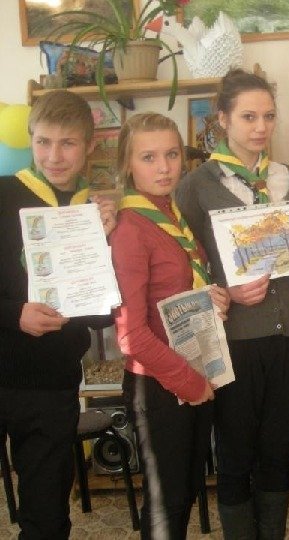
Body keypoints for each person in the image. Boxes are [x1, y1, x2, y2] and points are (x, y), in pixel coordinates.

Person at [176, 68, 289, 539]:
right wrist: (225, 289)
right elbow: (183, 261)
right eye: (249, 117)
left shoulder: (287, 178)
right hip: (234, 338)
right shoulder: (197, 184)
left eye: (269, 116)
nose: (261, 127)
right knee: (236, 454)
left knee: (278, 452)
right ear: (223, 119)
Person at [0, 90, 117, 538]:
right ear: (31, 139)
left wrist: (104, 246)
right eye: (43, 142)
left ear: (89, 146)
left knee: (47, 516)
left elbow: (102, 318)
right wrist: (14, 315)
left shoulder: (95, 212)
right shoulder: (3, 193)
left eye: (67, 143)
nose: (54, 156)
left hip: (51, 385)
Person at [110, 112, 230, 539]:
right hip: (160, 384)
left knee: (182, 495)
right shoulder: (130, 227)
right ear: (128, 165)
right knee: (166, 505)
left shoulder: (172, 214)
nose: (163, 167)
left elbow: (179, 290)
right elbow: (131, 335)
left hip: (192, 372)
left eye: (172, 154)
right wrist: (188, 381)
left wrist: (214, 297)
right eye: (148, 157)